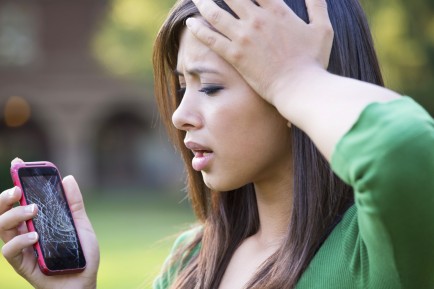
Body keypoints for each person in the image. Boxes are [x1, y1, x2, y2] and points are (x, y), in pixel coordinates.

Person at [0, 0, 433, 288]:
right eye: (181, 85)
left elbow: (404, 147)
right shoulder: (190, 261)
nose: (178, 114)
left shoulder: (379, 246)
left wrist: (297, 80)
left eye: (208, 86)